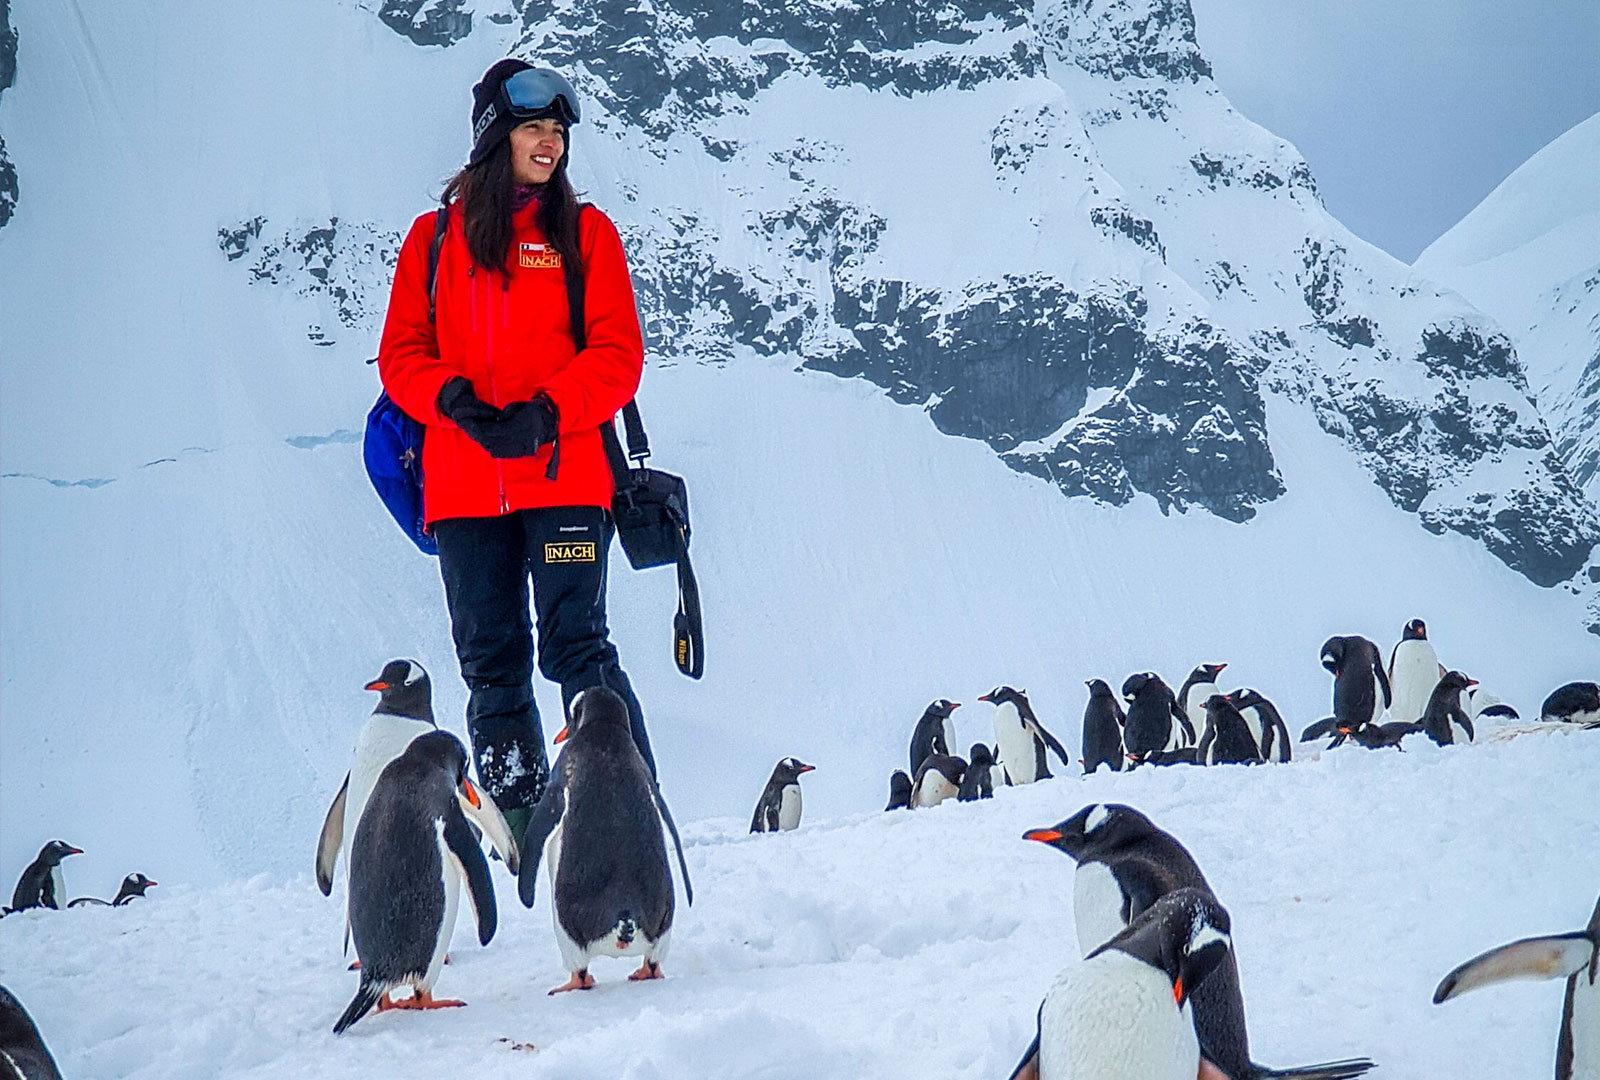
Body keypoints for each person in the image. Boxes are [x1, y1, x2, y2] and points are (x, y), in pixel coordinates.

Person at [377, 59, 654, 837]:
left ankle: (626, 808)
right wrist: (453, 400)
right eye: (535, 127)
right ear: (495, 138)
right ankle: (528, 827)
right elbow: (400, 355)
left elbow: (616, 355)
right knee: (492, 666)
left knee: (577, 652)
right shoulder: (433, 242)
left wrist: (546, 413)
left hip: (564, 481)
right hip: (464, 491)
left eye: (559, 131)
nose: (551, 143)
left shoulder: (585, 234)